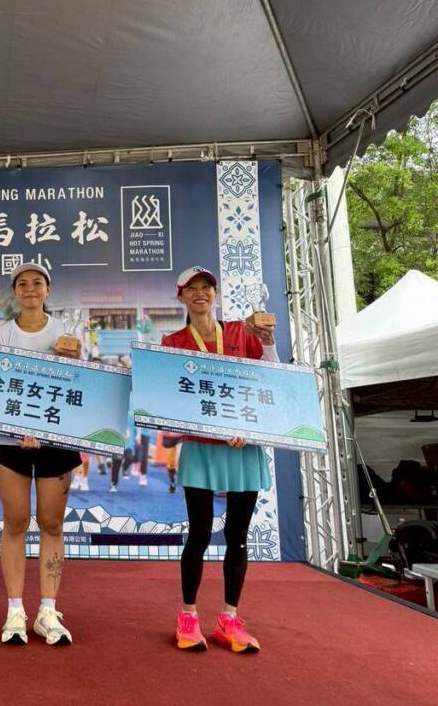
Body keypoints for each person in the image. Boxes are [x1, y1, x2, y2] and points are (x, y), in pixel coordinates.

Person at [162, 266, 277, 654]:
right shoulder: (173, 342)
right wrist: (215, 428)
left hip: (244, 446)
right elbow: (172, 398)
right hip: (202, 446)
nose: (200, 293)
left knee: (237, 538)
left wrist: (269, 341)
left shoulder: (243, 332)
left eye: (206, 287)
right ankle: (188, 617)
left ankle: (229, 619)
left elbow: (269, 377)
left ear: (215, 293)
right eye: (191, 288)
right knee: (198, 534)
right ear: (180, 297)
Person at [0, 263, 81, 646]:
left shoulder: (68, 333)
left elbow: (80, 387)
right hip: (12, 443)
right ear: (15, 291)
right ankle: (14, 610)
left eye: (37, 283)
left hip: (56, 443)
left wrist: (74, 362)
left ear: (47, 289)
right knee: (14, 523)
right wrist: (19, 428)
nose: (30, 289)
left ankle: (47, 610)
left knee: (51, 524)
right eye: (22, 283)